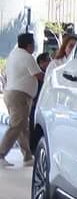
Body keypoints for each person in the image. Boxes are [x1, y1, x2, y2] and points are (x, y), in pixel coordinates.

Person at [0, 33, 44, 166]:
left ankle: (27, 157)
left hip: (13, 93)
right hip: (19, 95)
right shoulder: (27, 57)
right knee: (18, 125)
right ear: (29, 45)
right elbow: (38, 75)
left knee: (23, 126)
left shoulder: (14, 54)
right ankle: (1, 153)